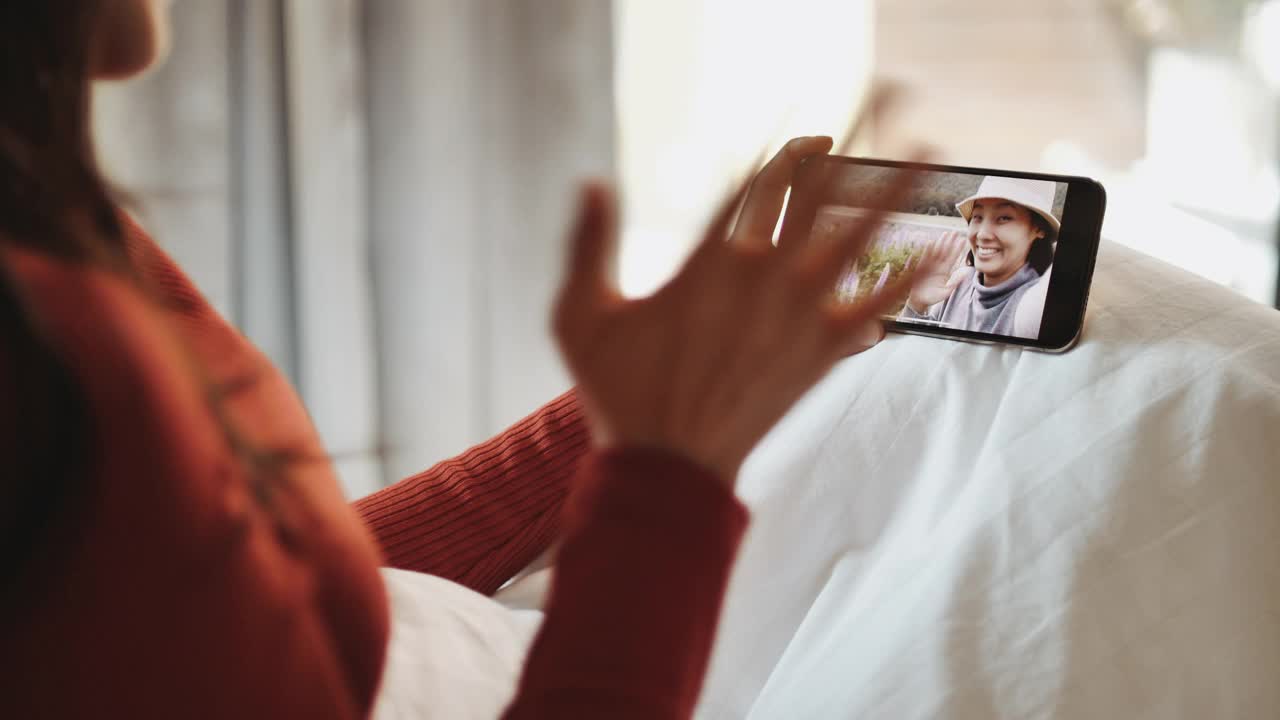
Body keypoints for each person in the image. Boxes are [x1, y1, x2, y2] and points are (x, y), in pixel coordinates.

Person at [0, 2, 921, 718]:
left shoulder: (57, 238)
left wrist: (611, 421)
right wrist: (666, 480)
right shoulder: (49, 341)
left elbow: (255, 593)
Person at [899, 175, 1059, 339]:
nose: (982, 234)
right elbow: (918, 356)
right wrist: (916, 304)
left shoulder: (1036, 307)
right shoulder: (959, 283)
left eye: (1004, 218)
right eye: (977, 217)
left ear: (1039, 229)